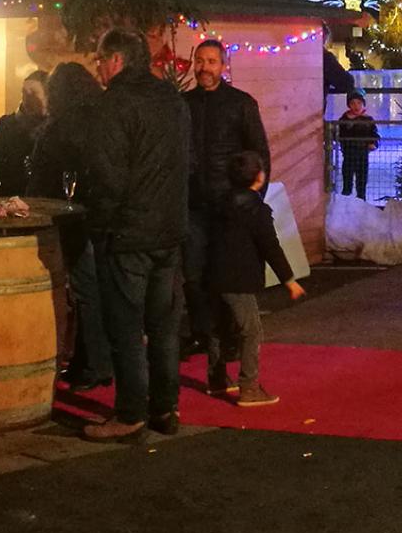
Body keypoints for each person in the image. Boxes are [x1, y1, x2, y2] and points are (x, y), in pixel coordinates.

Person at [82, 28, 190, 442]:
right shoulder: (172, 100)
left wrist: (103, 225)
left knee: (126, 327)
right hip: (168, 230)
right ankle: (165, 409)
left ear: (116, 60)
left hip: (128, 234)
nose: (97, 68)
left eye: (99, 59)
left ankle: (130, 412)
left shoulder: (113, 105)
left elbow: (107, 175)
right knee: (163, 327)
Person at [182, 39, 272, 353]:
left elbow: (259, 152)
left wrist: (252, 200)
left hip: (228, 206)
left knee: (227, 277)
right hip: (194, 204)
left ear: (223, 66)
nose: (204, 67)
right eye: (200, 61)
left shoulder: (241, 104)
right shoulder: (184, 104)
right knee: (194, 275)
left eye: (211, 61)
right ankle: (202, 333)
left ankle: (230, 337)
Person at [28, 61, 111, 391]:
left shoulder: (61, 127)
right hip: (97, 215)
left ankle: (94, 365)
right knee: (96, 290)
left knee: (85, 291)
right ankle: (91, 362)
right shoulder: (101, 119)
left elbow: (44, 177)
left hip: (72, 217)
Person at [206, 151, 305, 405]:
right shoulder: (257, 210)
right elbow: (270, 246)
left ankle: (217, 379)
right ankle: (249, 387)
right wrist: (289, 280)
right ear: (258, 177)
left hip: (214, 273)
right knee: (251, 331)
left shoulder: (218, 203)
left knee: (220, 326)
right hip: (239, 278)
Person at [0, 69, 48, 196]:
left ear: (48, 95)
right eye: (24, 93)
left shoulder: (56, 130)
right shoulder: (7, 126)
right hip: (10, 200)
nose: (27, 98)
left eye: (33, 93)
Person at [336, 91, 380, 199]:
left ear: (363, 104)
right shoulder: (344, 120)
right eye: (353, 103)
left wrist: (373, 143)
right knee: (347, 182)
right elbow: (339, 135)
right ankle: (346, 205)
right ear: (349, 105)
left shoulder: (368, 120)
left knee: (361, 182)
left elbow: (374, 134)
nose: (356, 106)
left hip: (362, 154)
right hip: (349, 154)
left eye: (359, 103)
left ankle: (361, 202)